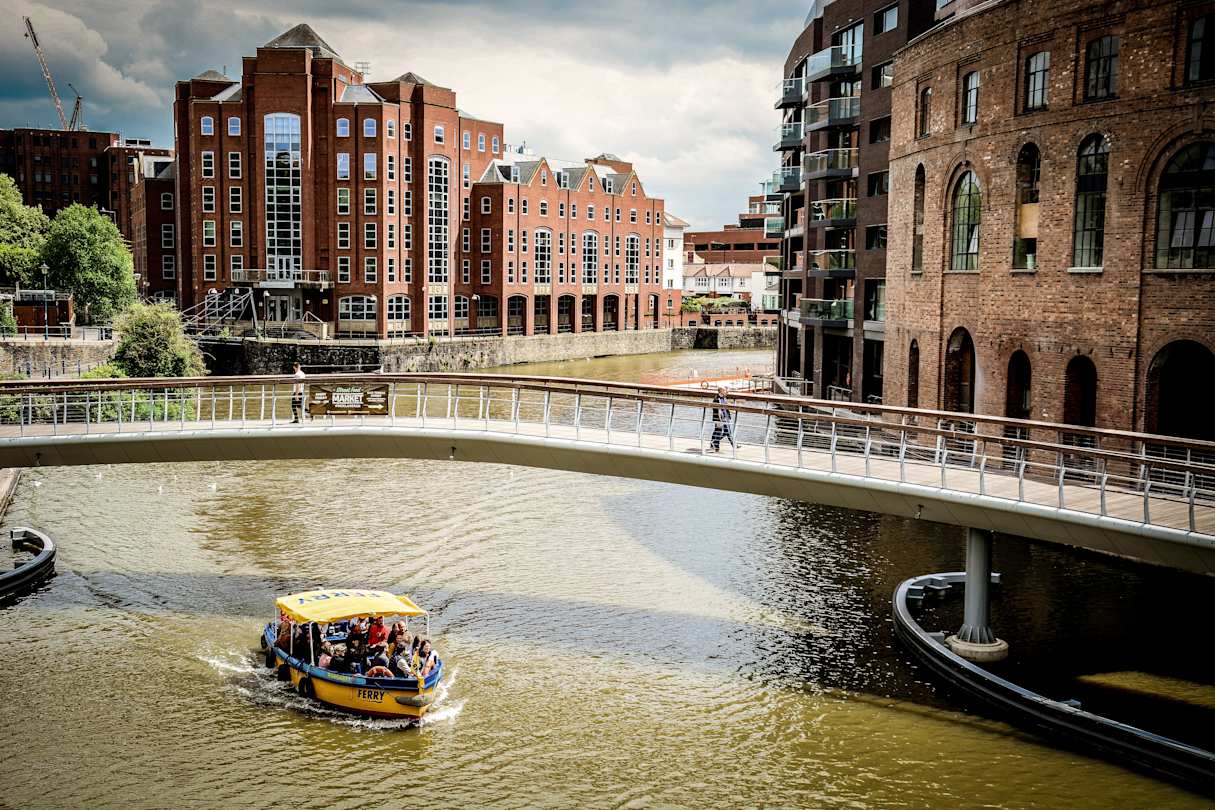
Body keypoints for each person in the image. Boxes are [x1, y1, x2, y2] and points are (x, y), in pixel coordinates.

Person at [709, 386, 736, 453]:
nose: (727, 392)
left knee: (722, 432)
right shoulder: (716, 399)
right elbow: (716, 410)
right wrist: (720, 419)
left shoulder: (724, 398)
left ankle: (714, 445)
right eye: (725, 391)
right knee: (719, 432)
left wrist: (732, 411)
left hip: (725, 417)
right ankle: (715, 446)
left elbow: (726, 406)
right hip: (719, 418)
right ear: (721, 391)